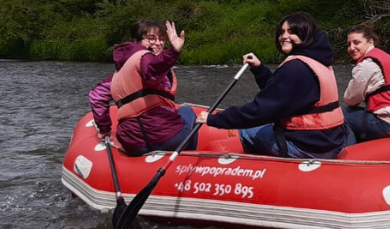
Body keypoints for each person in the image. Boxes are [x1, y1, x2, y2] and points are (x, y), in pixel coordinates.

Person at [198, 12, 352, 159]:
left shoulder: (295, 67)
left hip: (308, 148)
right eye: (282, 32)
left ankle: (254, 176)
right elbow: (282, 94)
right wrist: (259, 69)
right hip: (331, 143)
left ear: (305, 34)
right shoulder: (318, 61)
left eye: (291, 31)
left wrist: (214, 119)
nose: (284, 36)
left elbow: (259, 111)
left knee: (246, 132)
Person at [110, 19, 200, 156]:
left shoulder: (120, 72)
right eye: (151, 39)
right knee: (187, 111)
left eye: (162, 39)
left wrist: (104, 129)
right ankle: (186, 161)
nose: (158, 43)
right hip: (164, 139)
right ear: (137, 41)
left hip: (132, 143)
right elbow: (152, 69)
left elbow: (96, 95)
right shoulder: (145, 59)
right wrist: (174, 51)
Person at [342, 24, 390, 141]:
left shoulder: (367, 65)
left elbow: (350, 100)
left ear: (370, 42)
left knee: (342, 114)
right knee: (357, 113)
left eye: (356, 42)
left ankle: (347, 155)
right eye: (349, 44)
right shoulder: (388, 58)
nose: (352, 48)